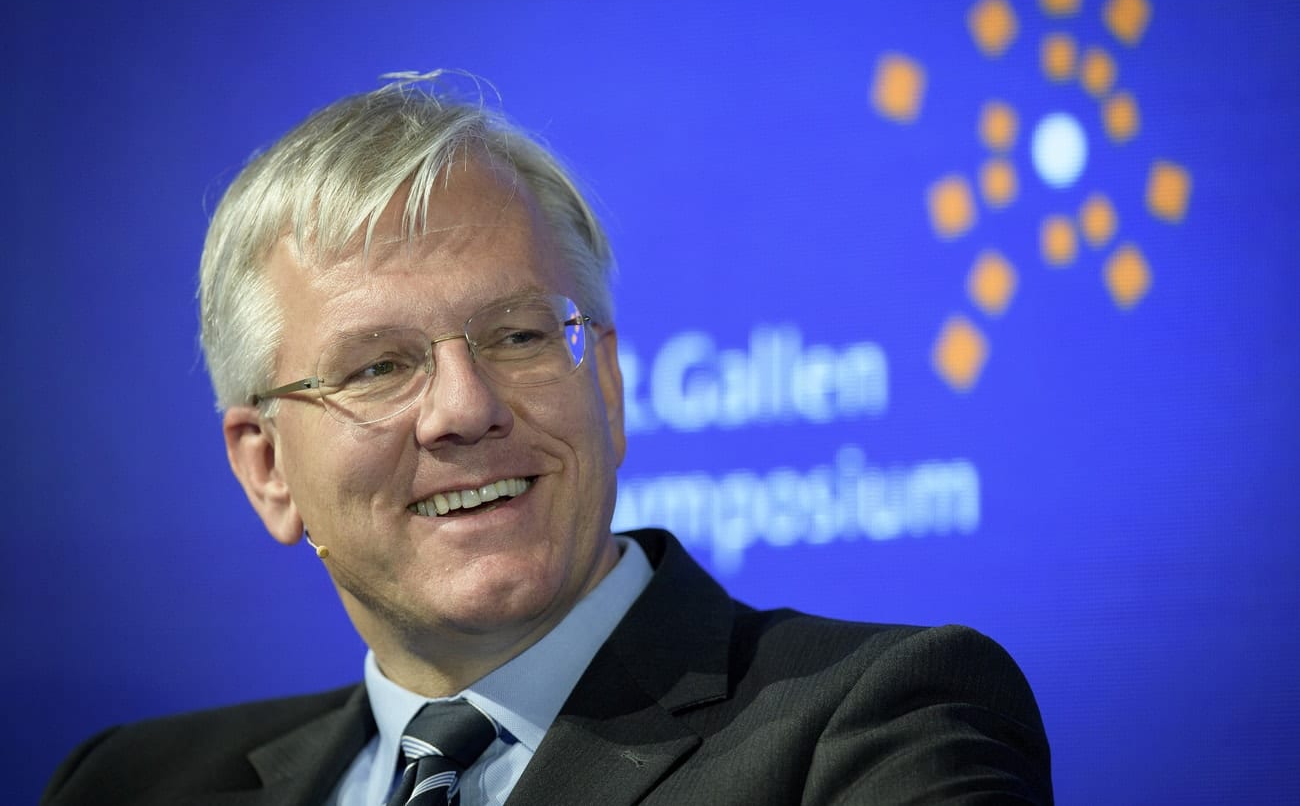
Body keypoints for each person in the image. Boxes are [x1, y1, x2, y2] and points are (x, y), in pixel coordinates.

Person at [43, 71, 1053, 805]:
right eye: (378, 367)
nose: (463, 407)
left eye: (520, 335)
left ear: (605, 380)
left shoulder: (879, 727)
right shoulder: (129, 782)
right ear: (267, 468)